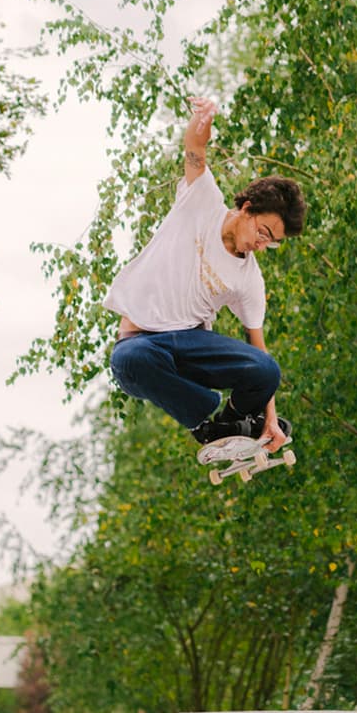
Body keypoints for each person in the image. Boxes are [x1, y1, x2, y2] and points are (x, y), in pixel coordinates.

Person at [105, 97, 306, 453]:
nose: (262, 244)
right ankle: (204, 421)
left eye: (272, 242)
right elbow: (195, 149)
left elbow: (258, 351)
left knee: (266, 370)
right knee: (127, 360)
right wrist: (202, 124)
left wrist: (270, 418)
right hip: (141, 344)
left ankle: (231, 424)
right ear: (247, 209)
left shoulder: (248, 278)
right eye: (263, 232)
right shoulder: (203, 200)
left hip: (191, 347)